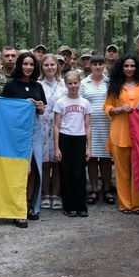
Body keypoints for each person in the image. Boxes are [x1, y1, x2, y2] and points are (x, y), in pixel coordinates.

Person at [104, 54, 139, 215]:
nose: (129, 69)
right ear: (121, 68)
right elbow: (107, 107)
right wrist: (118, 109)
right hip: (120, 133)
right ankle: (125, 204)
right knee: (121, 171)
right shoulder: (115, 86)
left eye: (132, 66)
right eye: (126, 66)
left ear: (137, 67)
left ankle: (138, 205)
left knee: (137, 171)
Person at [2, 52, 47, 228]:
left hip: (35, 129)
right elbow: (5, 111)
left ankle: (29, 204)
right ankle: (17, 208)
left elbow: (42, 110)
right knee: (22, 170)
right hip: (17, 132)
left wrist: (40, 107)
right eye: (25, 64)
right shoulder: (10, 86)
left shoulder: (38, 86)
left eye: (31, 64)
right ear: (19, 65)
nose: (28, 67)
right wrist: (23, 104)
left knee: (35, 168)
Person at [53, 70, 92, 217]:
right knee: (66, 173)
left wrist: (89, 147)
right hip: (65, 138)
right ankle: (69, 206)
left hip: (80, 139)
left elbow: (88, 126)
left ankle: (81, 206)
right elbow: (56, 126)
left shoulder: (85, 103)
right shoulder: (61, 102)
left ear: (79, 83)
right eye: (70, 83)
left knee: (79, 174)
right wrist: (57, 147)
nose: (73, 86)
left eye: (75, 83)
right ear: (66, 84)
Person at [81, 54, 115, 205]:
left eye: (100, 64)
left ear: (104, 65)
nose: (97, 66)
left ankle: (106, 189)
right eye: (94, 64)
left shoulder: (110, 83)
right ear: (90, 65)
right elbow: (80, 103)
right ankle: (94, 190)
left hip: (107, 125)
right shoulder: (84, 83)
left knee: (106, 159)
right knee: (92, 158)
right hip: (89, 126)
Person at [38, 54, 67, 210]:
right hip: (42, 127)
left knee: (57, 161)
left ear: (58, 66)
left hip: (60, 127)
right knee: (45, 162)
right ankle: (45, 193)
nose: (50, 68)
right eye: (46, 65)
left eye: (52, 65)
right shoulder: (37, 84)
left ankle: (56, 194)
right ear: (42, 67)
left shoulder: (64, 84)